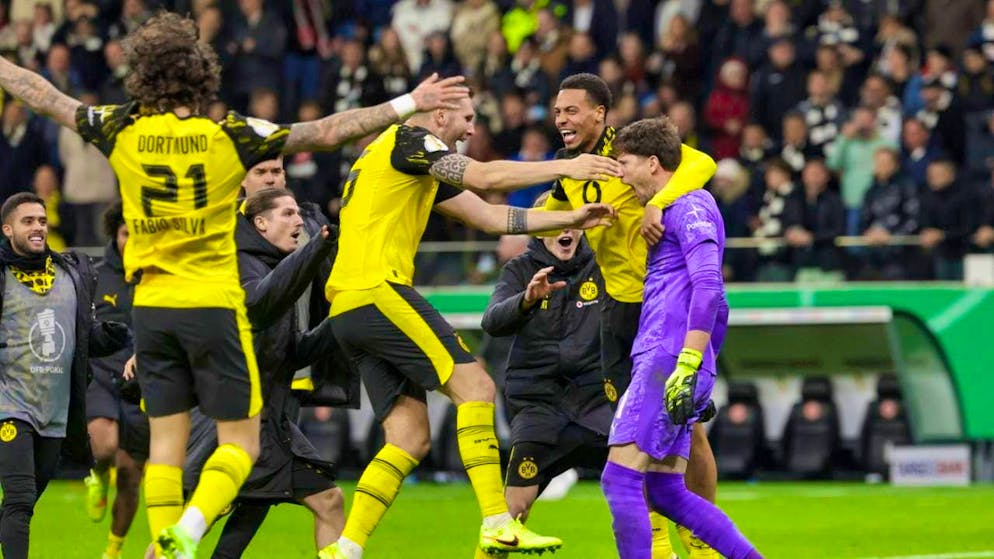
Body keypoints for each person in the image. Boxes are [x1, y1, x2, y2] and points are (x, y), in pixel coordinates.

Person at [0, 11, 469, 558]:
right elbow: (327, 132)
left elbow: (44, 95)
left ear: (142, 75)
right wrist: (410, 101)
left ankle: (165, 540)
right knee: (241, 443)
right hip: (213, 305)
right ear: (202, 75)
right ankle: (190, 529)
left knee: (167, 449)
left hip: (151, 307)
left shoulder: (118, 126)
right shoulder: (233, 135)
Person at [317, 93, 621, 559]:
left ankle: (347, 548)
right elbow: (484, 175)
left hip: (347, 308)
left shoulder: (400, 164)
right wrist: (565, 167)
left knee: (409, 436)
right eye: (468, 119)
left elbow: (492, 216)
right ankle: (499, 522)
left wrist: (570, 217)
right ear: (439, 115)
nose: (471, 130)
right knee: (476, 386)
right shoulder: (408, 140)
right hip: (377, 290)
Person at [544, 72, 719, 558]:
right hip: (617, 312)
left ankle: (700, 542)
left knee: (690, 428)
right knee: (628, 431)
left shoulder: (634, 148)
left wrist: (656, 206)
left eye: (572, 110)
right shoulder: (572, 167)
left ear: (600, 114)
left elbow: (702, 161)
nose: (562, 119)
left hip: (660, 305)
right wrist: (553, 224)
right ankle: (657, 543)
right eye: (557, 111)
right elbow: (554, 205)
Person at [604, 116, 762, 559]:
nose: (621, 172)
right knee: (666, 491)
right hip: (669, 356)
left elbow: (710, 286)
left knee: (619, 481)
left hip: (669, 356)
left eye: (626, 162)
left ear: (653, 163)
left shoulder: (690, 205)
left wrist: (689, 362)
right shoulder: (670, 206)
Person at [181, 188, 344, 557]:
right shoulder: (238, 264)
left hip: (269, 420)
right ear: (260, 223)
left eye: (298, 214)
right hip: (233, 421)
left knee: (328, 500)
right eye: (287, 214)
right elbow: (259, 304)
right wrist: (315, 248)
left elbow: (292, 351)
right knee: (191, 528)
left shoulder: (269, 265)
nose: (299, 221)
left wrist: (342, 318)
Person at [0, 193, 130, 559]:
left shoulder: (70, 273)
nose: (38, 226)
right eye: (28, 221)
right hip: (9, 405)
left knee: (23, 505)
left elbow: (84, 335)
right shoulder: (2, 274)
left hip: (56, 410)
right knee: (21, 501)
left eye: (42, 220)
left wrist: (115, 336)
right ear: (7, 229)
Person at [480, 191, 611, 537]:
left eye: (572, 220)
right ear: (540, 229)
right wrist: (525, 300)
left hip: (596, 402)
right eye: (557, 221)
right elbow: (492, 322)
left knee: (646, 484)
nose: (566, 228)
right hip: (541, 406)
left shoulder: (603, 263)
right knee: (509, 517)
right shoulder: (520, 269)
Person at [83, 202, 149, 559]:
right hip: (102, 376)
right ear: (114, 233)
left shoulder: (159, 272)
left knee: (130, 476)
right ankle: (97, 473)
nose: (131, 241)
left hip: (143, 381)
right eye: (126, 233)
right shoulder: (94, 275)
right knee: (104, 446)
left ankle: (113, 551)